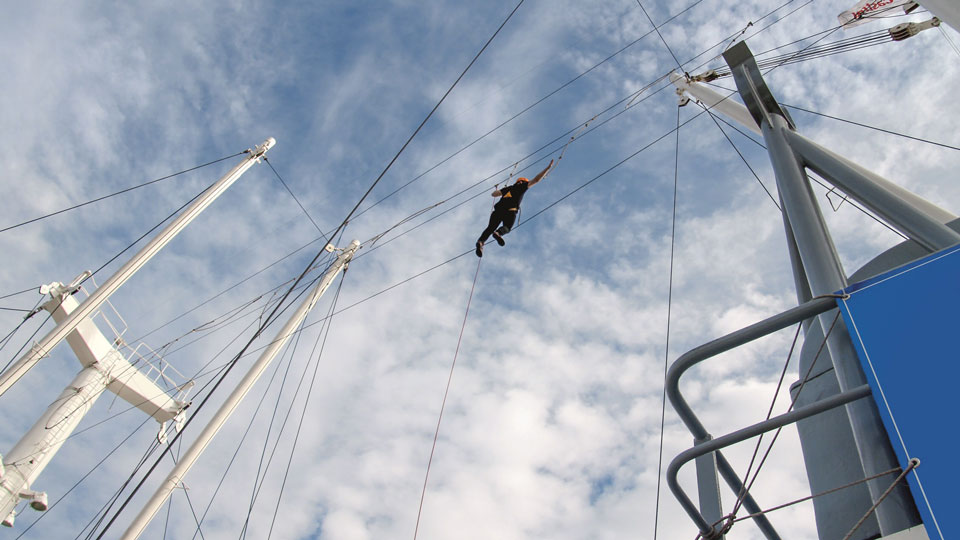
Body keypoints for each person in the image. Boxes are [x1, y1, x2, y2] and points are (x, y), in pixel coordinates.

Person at [476, 159, 553, 257]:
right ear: (523, 182)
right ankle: (498, 233)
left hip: (498, 211)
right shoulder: (523, 186)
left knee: (490, 228)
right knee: (507, 227)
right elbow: (536, 180)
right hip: (510, 211)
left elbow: (493, 194)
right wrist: (548, 168)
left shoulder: (508, 188)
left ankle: (481, 242)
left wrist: (500, 190)